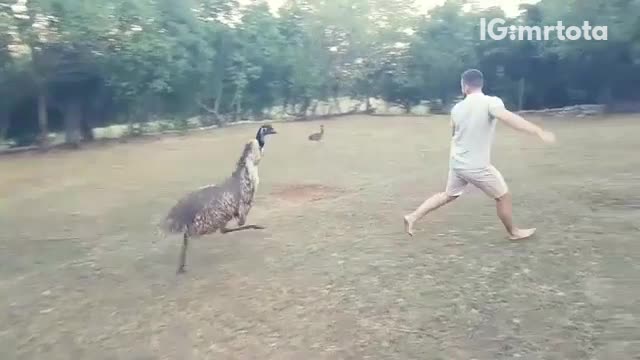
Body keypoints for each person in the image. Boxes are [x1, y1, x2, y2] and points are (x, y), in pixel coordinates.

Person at [403, 69, 556, 240]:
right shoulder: (491, 102)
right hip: (476, 166)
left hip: (457, 163)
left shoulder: (457, 108)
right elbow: (508, 117)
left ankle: (412, 217)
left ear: (465, 86)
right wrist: (537, 131)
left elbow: (454, 133)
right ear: (480, 84)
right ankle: (514, 232)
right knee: (503, 197)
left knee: (448, 195)